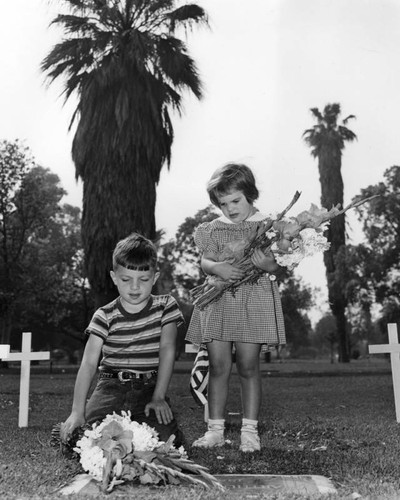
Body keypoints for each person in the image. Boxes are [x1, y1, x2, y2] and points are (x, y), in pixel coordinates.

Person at [186, 163, 286, 452]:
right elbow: (205, 261)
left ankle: (250, 432)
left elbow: (277, 264)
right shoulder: (213, 230)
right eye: (223, 203)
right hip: (219, 302)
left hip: (253, 302)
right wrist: (217, 267)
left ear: (250, 194)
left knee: (248, 366)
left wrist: (267, 264)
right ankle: (215, 430)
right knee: (218, 367)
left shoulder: (268, 226)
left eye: (235, 201)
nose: (229, 209)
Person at [59, 232, 184, 447]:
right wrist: (77, 412)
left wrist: (159, 396)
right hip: (110, 387)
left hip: (149, 387)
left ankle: (139, 429)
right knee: (86, 440)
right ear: (114, 278)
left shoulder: (166, 306)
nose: (134, 287)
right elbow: (89, 364)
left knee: (166, 443)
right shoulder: (104, 315)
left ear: (154, 277)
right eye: (126, 279)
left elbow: (167, 349)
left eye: (143, 280)